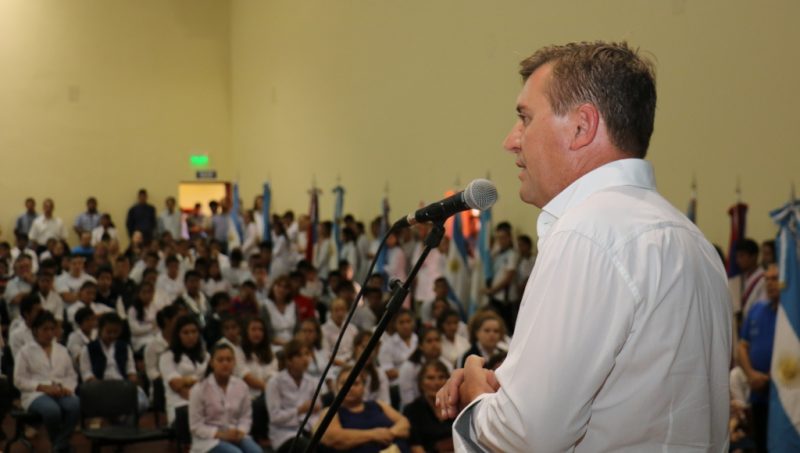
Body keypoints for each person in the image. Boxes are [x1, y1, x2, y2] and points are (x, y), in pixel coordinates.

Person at [437, 41, 731, 451]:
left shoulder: (588, 233)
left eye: (525, 118)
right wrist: (504, 388)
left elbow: (528, 435)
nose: (511, 140)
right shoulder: (691, 239)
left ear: (582, 126)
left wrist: (475, 393)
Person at [14, 311, 80, 453]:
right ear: (35, 330)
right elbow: (18, 380)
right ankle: (60, 444)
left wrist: (68, 388)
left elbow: (71, 375)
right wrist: (41, 387)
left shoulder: (62, 350)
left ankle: (60, 444)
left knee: (75, 404)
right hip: (35, 394)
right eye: (45, 329)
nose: (49, 333)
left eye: (52, 329)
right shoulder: (25, 351)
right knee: (52, 410)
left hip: (60, 391)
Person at [316, 366, 411, 453]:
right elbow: (335, 439)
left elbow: (404, 424)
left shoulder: (379, 404)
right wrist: (373, 435)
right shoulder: (331, 412)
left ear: (364, 387)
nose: (350, 388)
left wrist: (388, 434)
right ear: (337, 386)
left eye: (355, 383)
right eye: (344, 383)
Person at [189, 343, 261, 453]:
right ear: (212, 363)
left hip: (235, 435)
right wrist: (220, 434)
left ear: (234, 362)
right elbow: (196, 426)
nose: (225, 363)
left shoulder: (241, 386)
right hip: (209, 440)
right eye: (220, 360)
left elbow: (246, 417)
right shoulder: (199, 389)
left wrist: (241, 431)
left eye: (229, 359)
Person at [738, 263, 780, 452]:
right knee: (761, 443)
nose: (770, 284)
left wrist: (770, 378)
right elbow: (742, 345)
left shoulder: (792, 317)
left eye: (775, 279)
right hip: (757, 393)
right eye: (767, 279)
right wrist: (751, 375)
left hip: (783, 394)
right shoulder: (757, 309)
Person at [265, 339, 321, 452]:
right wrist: (299, 410)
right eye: (300, 355)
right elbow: (275, 417)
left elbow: (316, 411)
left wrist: (313, 426)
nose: (305, 359)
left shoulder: (312, 381)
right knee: (307, 448)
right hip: (285, 434)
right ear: (289, 360)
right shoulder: (275, 382)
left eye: (307, 354)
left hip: (308, 429)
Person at [160, 315, 209, 425]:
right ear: (178, 335)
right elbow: (176, 385)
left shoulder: (206, 356)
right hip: (180, 408)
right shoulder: (167, 356)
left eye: (194, 331)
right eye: (185, 333)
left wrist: (187, 380)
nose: (191, 336)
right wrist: (196, 380)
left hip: (205, 405)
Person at [402, 361, 453, 453]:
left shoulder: (455, 405)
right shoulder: (412, 410)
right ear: (421, 383)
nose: (436, 382)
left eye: (441, 377)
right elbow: (416, 448)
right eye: (430, 378)